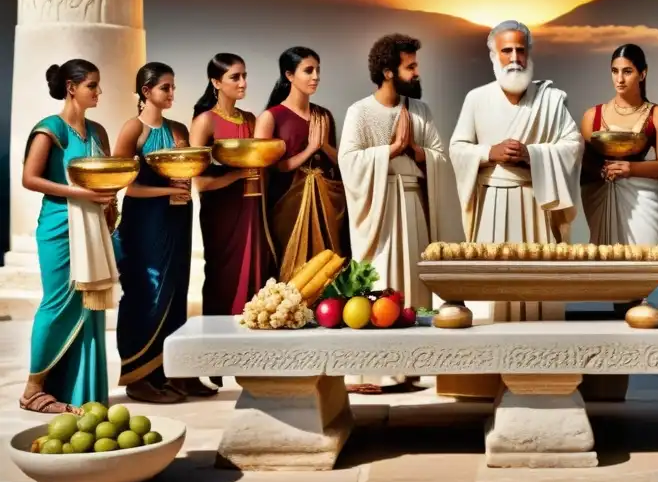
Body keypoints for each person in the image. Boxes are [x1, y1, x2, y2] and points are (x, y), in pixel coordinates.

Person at [446, 20, 584, 398]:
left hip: (537, 205)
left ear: (529, 53)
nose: (514, 58)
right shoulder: (477, 98)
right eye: (506, 50)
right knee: (493, 289)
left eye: (521, 50)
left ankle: (544, 377)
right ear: (493, 55)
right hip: (492, 204)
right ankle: (485, 380)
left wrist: (533, 155)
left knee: (539, 289)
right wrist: (488, 152)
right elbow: (457, 148)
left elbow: (573, 145)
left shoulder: (551, 100)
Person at [338, 35, 462, 393]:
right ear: (388, 71)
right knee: (379, 283)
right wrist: (391, 150)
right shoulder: (360, 112)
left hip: (414, 205)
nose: (417, 72)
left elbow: (441, 158)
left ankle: (410, 370)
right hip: (378, 210)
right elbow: (348, 161)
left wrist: (416, 151)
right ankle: (374, 373)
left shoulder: (420, 111)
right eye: (411, 66)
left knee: (414, 286)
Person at [19, 60, 115, 414]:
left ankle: (79, 391)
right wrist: (81, 194)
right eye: (92, 85)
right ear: (72, 88)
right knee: (58, 302)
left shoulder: (98, 132)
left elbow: (107, 175)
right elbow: (30, 179)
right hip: (59, 225)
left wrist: (110, 204)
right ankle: (33, 389)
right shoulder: (50, 129)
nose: (98, 92)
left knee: (89, 304)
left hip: (93, 224)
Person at [112, 63, 201, 404]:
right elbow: (124, 184)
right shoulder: (133, 129)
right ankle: (139, 377)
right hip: (144, 222)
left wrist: (179, 188)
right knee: (145, 294)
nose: (172, 93)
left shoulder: (178, 128)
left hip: (177, 218)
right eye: (165, 87)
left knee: (176, 292)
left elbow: (186, 170)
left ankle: (171, 373)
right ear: (146, 91)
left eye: (173, 86)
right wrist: (167, 191)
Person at [190, 53, 274, 389]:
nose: (243, 83)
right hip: (220, 211)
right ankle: (216, 357)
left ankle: (251, 355)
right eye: (234, 77)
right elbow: (198, 181)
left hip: (252, 206)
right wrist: (236, 176)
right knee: (222, 279)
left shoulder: (251, 119)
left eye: (244, 76)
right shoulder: (204, 122)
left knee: (256, 273)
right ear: (216, 82)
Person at [255, 46, 349, 282]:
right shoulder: (271, 117)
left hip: (327, 199)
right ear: (289, 75)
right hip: (288, 202)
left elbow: (340, 162)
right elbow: (268, 168)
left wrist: (323, 146)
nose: (316, 76)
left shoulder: (323, 115)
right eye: (308, 71)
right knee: (294, 268)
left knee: (328, 264)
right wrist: (310, 149)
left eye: (318, 70)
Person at [580, 43, 658, 249]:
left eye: (627, 71)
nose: (619, 79)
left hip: (641, 198)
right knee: (605, 256)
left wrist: (630, 169)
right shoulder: (592, 116)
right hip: (601, 193)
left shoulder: (657, 114)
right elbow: (584, 162)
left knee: (644, 257)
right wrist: (601, 170)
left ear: (642, 74)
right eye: (615, 71)